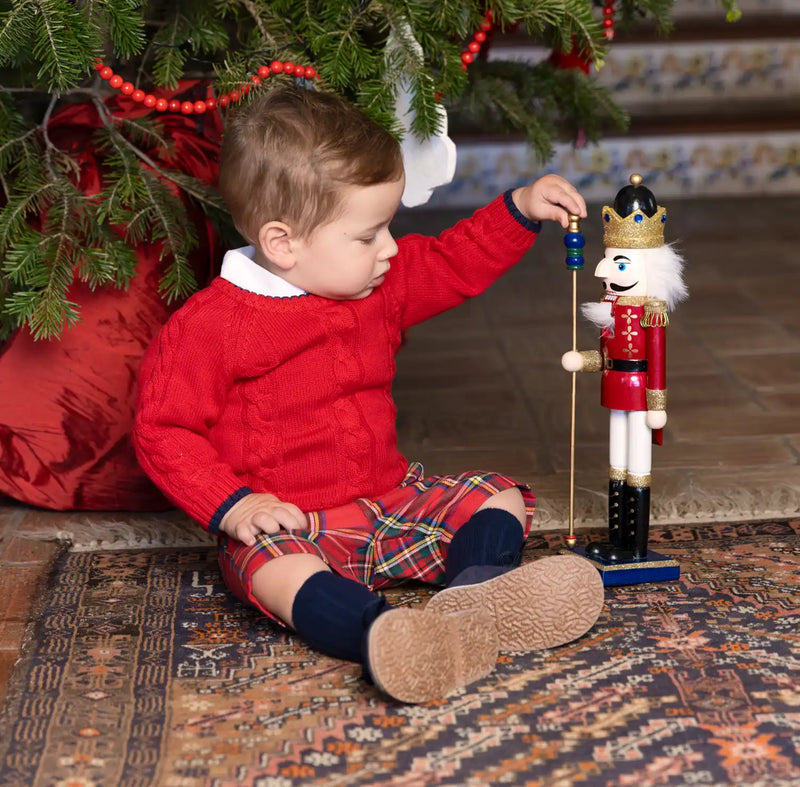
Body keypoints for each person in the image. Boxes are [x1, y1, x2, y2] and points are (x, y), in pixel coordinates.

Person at [133, 82, 605, 704]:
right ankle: (381, 632)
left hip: (387, 503)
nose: (388, 249)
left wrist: (517, 208)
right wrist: (236, 507)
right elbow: (162, 430)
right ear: (282, 243)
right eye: (367, 235)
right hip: (290, 524)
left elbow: (450, 262)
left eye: (389, 227)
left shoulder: (379, 283)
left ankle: (477, 597)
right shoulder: (213, 325)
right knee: (276, 571)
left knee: (495, 497)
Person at [561, 174, 687, 566]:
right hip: (615, 388)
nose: (602, 271)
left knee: (638, 463)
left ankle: (635, 546)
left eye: (618, 262)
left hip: (640, 391)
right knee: (616, 460)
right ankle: (617, 539)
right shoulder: (610, 310)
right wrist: (585, 360)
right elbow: (606, 353)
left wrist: (657, 403)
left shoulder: (652, 312)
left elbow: (658, 360)